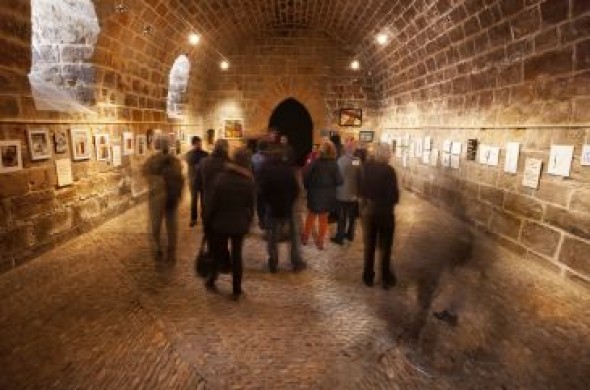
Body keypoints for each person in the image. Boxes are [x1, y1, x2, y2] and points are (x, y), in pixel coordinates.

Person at [204, 148, 255, 300]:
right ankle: (236, 290)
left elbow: (213, 204)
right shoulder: (248, 181)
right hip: (239, 224)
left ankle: (211, 280)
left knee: (218, 252)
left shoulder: (221, 178)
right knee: (237, 256)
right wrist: (248, 222)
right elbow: (251, 206)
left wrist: (208, 221)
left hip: (220, 223)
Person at [358, 143, 399, 289]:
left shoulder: (366, 167)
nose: (391, 155)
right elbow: (394, 196)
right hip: (385, 213)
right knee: (385, 247)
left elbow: (361, 188)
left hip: (369, 211)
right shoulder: (389, 171)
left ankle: (368, 276)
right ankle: (385, 277)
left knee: (369, 245)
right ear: (385, 154)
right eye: (389, 153)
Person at [260, 149, 306, 273]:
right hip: (287, 208)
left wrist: (269, 203)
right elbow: (295, 190)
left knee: (272, 236)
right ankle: (296, 261)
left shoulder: (267, 171)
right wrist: (289, 202)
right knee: (293, 235)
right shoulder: (288, 171)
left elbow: (263, 191)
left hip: (272, 208)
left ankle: (273, 262)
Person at [142, 136, 184, 261]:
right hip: (172, 197)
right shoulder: (175, 161)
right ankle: (171, 251)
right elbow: (180, 178)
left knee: (155, 224)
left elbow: (144, 172)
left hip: (156, 197)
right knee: (172, 225)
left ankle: (157, 247)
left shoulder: (152, 161)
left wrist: (154, 182)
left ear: (157, 145)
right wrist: (179, 193)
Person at [301, 140, 343, 250]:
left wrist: (307, 186)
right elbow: (339, 181)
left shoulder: (315, 162)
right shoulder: (334, 164)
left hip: (314, 193)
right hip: (327, 196)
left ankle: (305, 237)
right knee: (323, 219)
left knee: (310, 216)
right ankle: (320, 242)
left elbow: (305, 175)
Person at [331, 140, 360, 245]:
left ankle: (340, 237)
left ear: (345, 149)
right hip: (353, 194)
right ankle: (350, 235)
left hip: (341, 194)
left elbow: (336, 177)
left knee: (342, 216)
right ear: (353, 150)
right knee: (352, 216)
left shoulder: (340, 160)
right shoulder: (356, 161)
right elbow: (359, 176)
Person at [195, 139, 229, 223]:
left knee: (208, 226)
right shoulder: (230, 163)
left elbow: (197, 183)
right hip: (225, 202)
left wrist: (204, 191)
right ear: (226, 149)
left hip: (207, 199)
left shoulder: (203, 162)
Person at [186, 136, 209, 227]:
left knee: (204, 201)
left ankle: (204, 218)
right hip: (193, 181)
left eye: (200, 142)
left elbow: (204, 165)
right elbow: (194, 164)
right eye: (198, 143)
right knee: (194, 201)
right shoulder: (189, 154)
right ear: (193, 144)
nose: (199, 144)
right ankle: (193, 219)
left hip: (203, 181)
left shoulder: (205, 154)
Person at [251, 138, 270, 229]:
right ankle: (267, 221)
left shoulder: (253, 157)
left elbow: (251, 171)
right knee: (268, 203)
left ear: (258, 147)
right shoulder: (270, 157)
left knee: (260, 204)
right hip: (269, 184)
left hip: (258, 184)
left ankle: (261, 221)